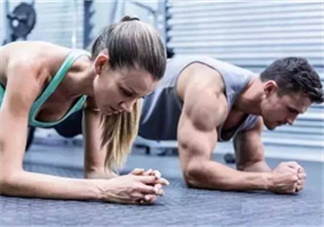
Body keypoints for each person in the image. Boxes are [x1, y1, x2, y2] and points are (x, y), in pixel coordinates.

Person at [0, 16, 169, 204]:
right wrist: (103, 190)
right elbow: (7, 178)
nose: (128, 108)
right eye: (126, 92)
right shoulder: (30, 68)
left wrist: (135, 184)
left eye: (139, 98)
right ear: (101, 64)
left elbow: (96, 172)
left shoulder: (97, 93)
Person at [139, 56, 323, 194]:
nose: (291, 121)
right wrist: (269, 180)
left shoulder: (254, 112)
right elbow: (194, 171)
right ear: (269, 89)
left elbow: (252, 164)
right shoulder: (209, 90)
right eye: (292, 110)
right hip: (121, 111)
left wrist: (284, 178)